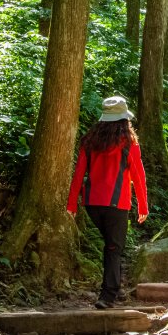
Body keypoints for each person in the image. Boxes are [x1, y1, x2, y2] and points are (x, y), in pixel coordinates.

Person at [66, 95, 148, 309]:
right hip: (116, 205)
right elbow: (138, 176)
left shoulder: (89, 141)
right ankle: (108, 295)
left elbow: (78, 174)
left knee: (113, 245)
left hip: (92, 204)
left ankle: (115, 287)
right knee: (114, 247)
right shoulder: (129, 144)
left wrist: (72, 204)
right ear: (124, 120)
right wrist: (143, 206)